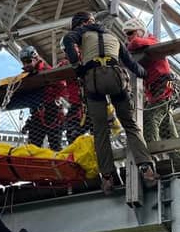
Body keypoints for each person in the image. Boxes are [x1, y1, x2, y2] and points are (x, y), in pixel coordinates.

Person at [62, 12, 158, 193]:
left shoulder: (80, 32)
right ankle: (147, 168)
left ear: (80, 24)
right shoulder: (112, 35)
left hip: (94, 80)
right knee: (130, 125)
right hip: (117, 78)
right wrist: (147, 74)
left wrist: (77, 66)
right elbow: (131, 64)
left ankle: (107, 177)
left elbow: (68, 41)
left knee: (100, 130)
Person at [123, 18, 178, 147]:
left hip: (164, 84)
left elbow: (136, 42)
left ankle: (152, 153)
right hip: (156, 89)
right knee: (166, 127)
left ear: (141, 31)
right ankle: (179, 159)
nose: (128, 37)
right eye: (127, 34)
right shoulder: (141, 47)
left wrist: (125, 48)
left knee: (149, 117)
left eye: (131, 33)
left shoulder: (151, 42)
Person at [18, 46, 66, 151]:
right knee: (33, 147)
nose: (26, 65)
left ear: (35, 58)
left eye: (28, 61)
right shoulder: (24, 76)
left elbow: (62, 86)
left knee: (55, 145)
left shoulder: (47, 71)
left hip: (52, 111)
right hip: (36, 113)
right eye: (24, 62)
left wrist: (49, 95)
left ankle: (56, 165)